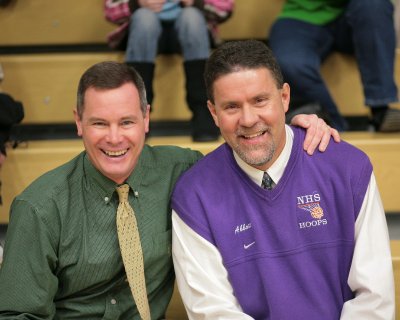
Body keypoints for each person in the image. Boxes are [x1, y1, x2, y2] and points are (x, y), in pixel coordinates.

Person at [0, 61, 337, 319]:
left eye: (127, 122)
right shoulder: (40, 207)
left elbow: (248, 150)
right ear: (78, 122)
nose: (114, 138)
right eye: (99, 123)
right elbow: (17, 314)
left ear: (146, 118)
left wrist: (295, 129)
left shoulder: (185, 172)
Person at [171, 40, 395, 319]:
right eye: (231, 107)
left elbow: (374, 299)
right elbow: (214, 312)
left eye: (259, 100)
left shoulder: (347, 168)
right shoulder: (194, 195)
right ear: (214, 113)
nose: (249, 119)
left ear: (285, 97)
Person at [268, 0, 400, 132]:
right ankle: (332, 126)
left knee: (374, 4)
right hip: (300, 15)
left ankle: (381, 111)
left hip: (357, 12)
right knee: (289, 62)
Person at [123, 0, 233, 142]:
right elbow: (111, 8)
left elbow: (225, 7)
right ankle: (135, 116)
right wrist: (136, 3)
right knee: (144, 19)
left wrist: (197, 2)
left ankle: (204, 116)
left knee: (191, 17)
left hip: (192, 29)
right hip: (143, 30)